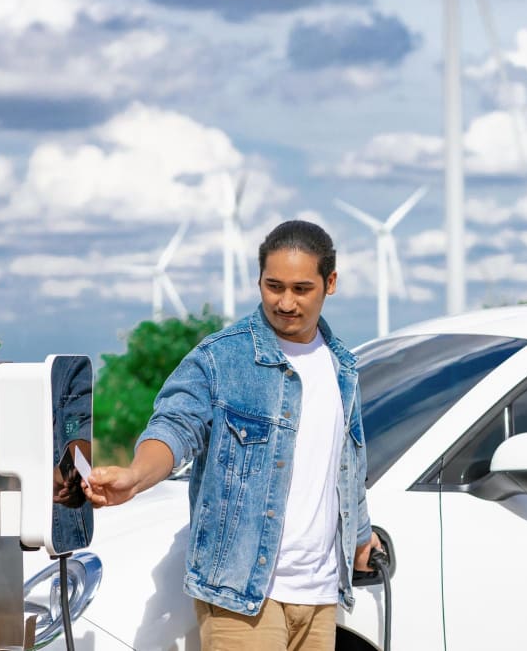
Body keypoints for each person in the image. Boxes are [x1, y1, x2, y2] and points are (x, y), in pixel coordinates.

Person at [86, 220, 380, 651]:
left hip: (320, 597)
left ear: (329, 283)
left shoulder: (342, 368)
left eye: (301, 289)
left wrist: (359, 539)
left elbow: (348, 466)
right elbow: (174, 427)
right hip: (243, 595)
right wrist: (136, 475)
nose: (285, 302)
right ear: (259, 280)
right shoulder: (222, 357)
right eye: (273, 285)